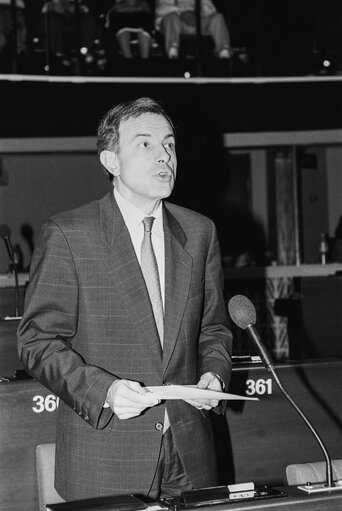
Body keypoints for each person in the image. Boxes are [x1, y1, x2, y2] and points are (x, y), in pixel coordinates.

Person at [17, 97, 232, 502]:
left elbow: (213, 327)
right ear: (111, 161)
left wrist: (214, 374)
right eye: (145, 145)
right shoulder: (69, 234)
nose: (164, 156)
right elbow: (36, 342)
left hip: (191, 454)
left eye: (169, 144)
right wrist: (106, 391)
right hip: (106, 455)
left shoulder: (200, 231)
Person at [155, 0, 232, 59]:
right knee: (171, 18)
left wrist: (198, 13)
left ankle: (224, 51)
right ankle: (172, 51)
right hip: (176, 24)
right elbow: (160, 9)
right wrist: (181, 12)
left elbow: (211, 9)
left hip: (197, 22)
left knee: (218, 17)